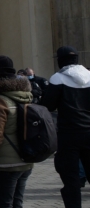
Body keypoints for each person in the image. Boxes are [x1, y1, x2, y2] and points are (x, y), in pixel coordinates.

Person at [0, 55, 34, 208]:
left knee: (3, 204)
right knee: (17, 203)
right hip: (25, 158)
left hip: (4, 164)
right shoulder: (25, 96)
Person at [41, 46, 90, 208]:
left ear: (60, 61)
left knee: (70, 177)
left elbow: (48, 104)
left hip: (69, 133)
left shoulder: (57, 78)